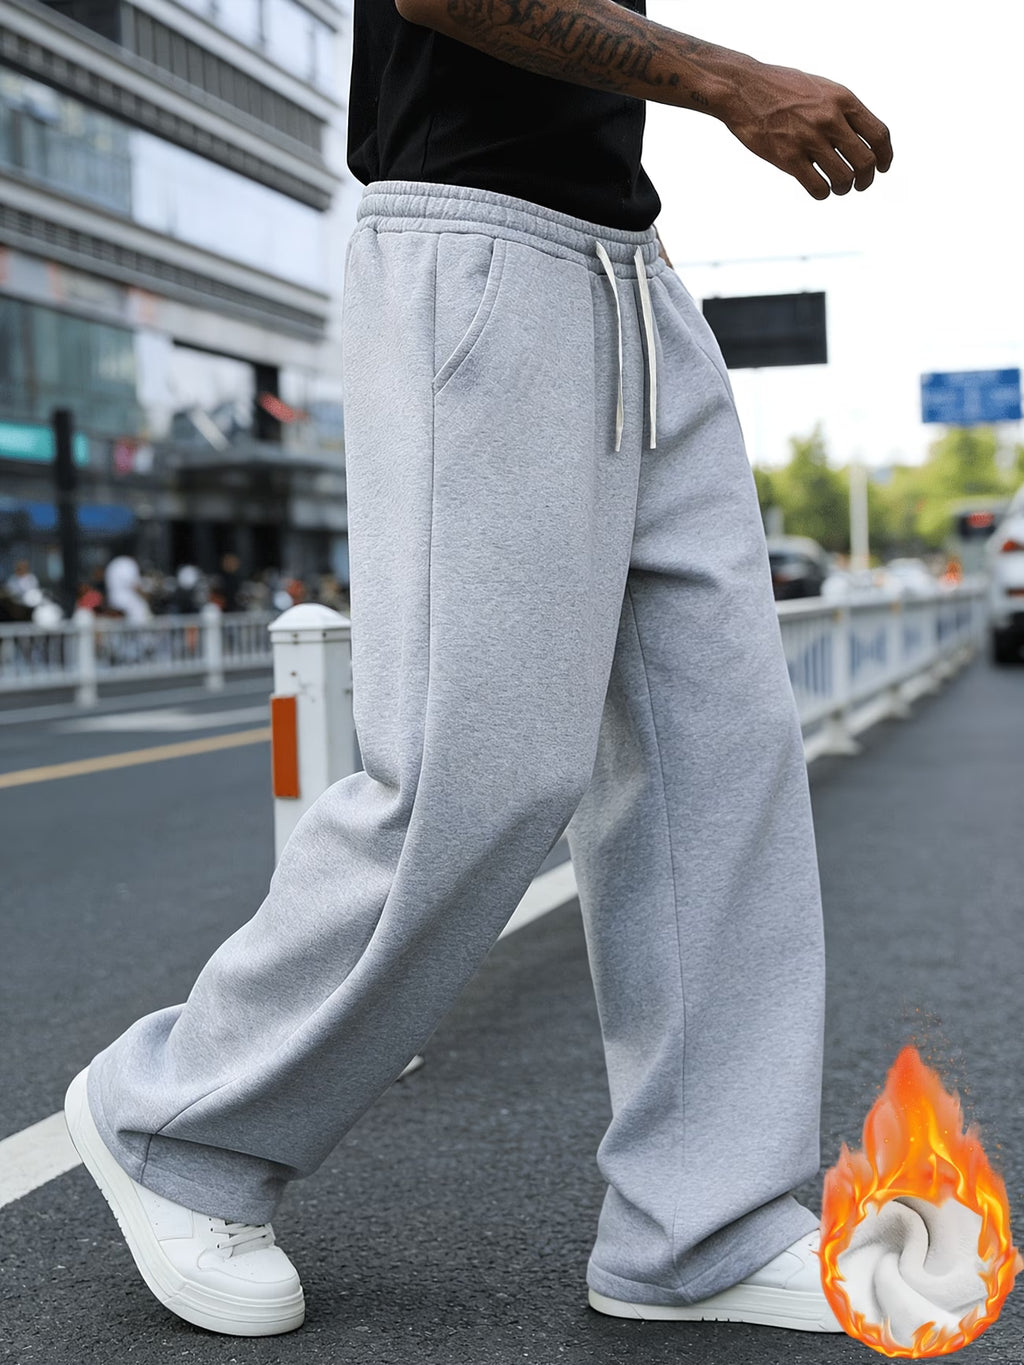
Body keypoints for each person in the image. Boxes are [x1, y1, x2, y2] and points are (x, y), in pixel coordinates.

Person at [64, 0, 893, 1341]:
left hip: (630, 265)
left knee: (717, 755)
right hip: (473, 244)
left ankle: (705, 1224)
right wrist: (729, 80)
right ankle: (173, 1124)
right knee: (477, 762)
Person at [103, 541, 152, 624]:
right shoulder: (127, 562)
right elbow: (135, 585)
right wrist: (147, 597)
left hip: (112, 601)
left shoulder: (112, 563)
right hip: (127, 603)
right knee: (142, 611)